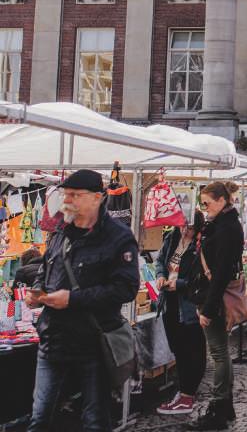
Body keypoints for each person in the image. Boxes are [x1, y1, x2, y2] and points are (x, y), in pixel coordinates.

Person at [25, 169, 139, 432]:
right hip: (53, 339)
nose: (68, 200)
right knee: (40, 417)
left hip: (93, 343)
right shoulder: (60, 233)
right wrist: (38, 292)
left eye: (75, 195)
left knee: (94, 420)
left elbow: (125, 289)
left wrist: (73, 299)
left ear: (97, 198)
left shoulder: (118, 237)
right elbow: (45, 269)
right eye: (66, 194)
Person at [189, 181, 244, 431]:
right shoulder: (224, 224)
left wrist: (208, 309)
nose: (204, 207)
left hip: (215, 298)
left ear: (221, 201)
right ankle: (225, 404)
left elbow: (221, 272)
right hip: (214, 295)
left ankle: (218, 405)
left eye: (207, 202)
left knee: (219, 353)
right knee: (222, 352)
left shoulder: (226, 228)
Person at [155, 212, 207, 415]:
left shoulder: (201, 245)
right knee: (177, 347)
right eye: (182, 225)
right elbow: (160, 261)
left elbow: (202, 277)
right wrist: (160, 276)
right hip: (169, 302)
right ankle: (184, 391)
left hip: (188, 303)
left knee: (192, 348)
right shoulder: (172, 238)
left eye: (189, 227)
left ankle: (188, 392)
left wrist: (181, 284)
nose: (185, 230)